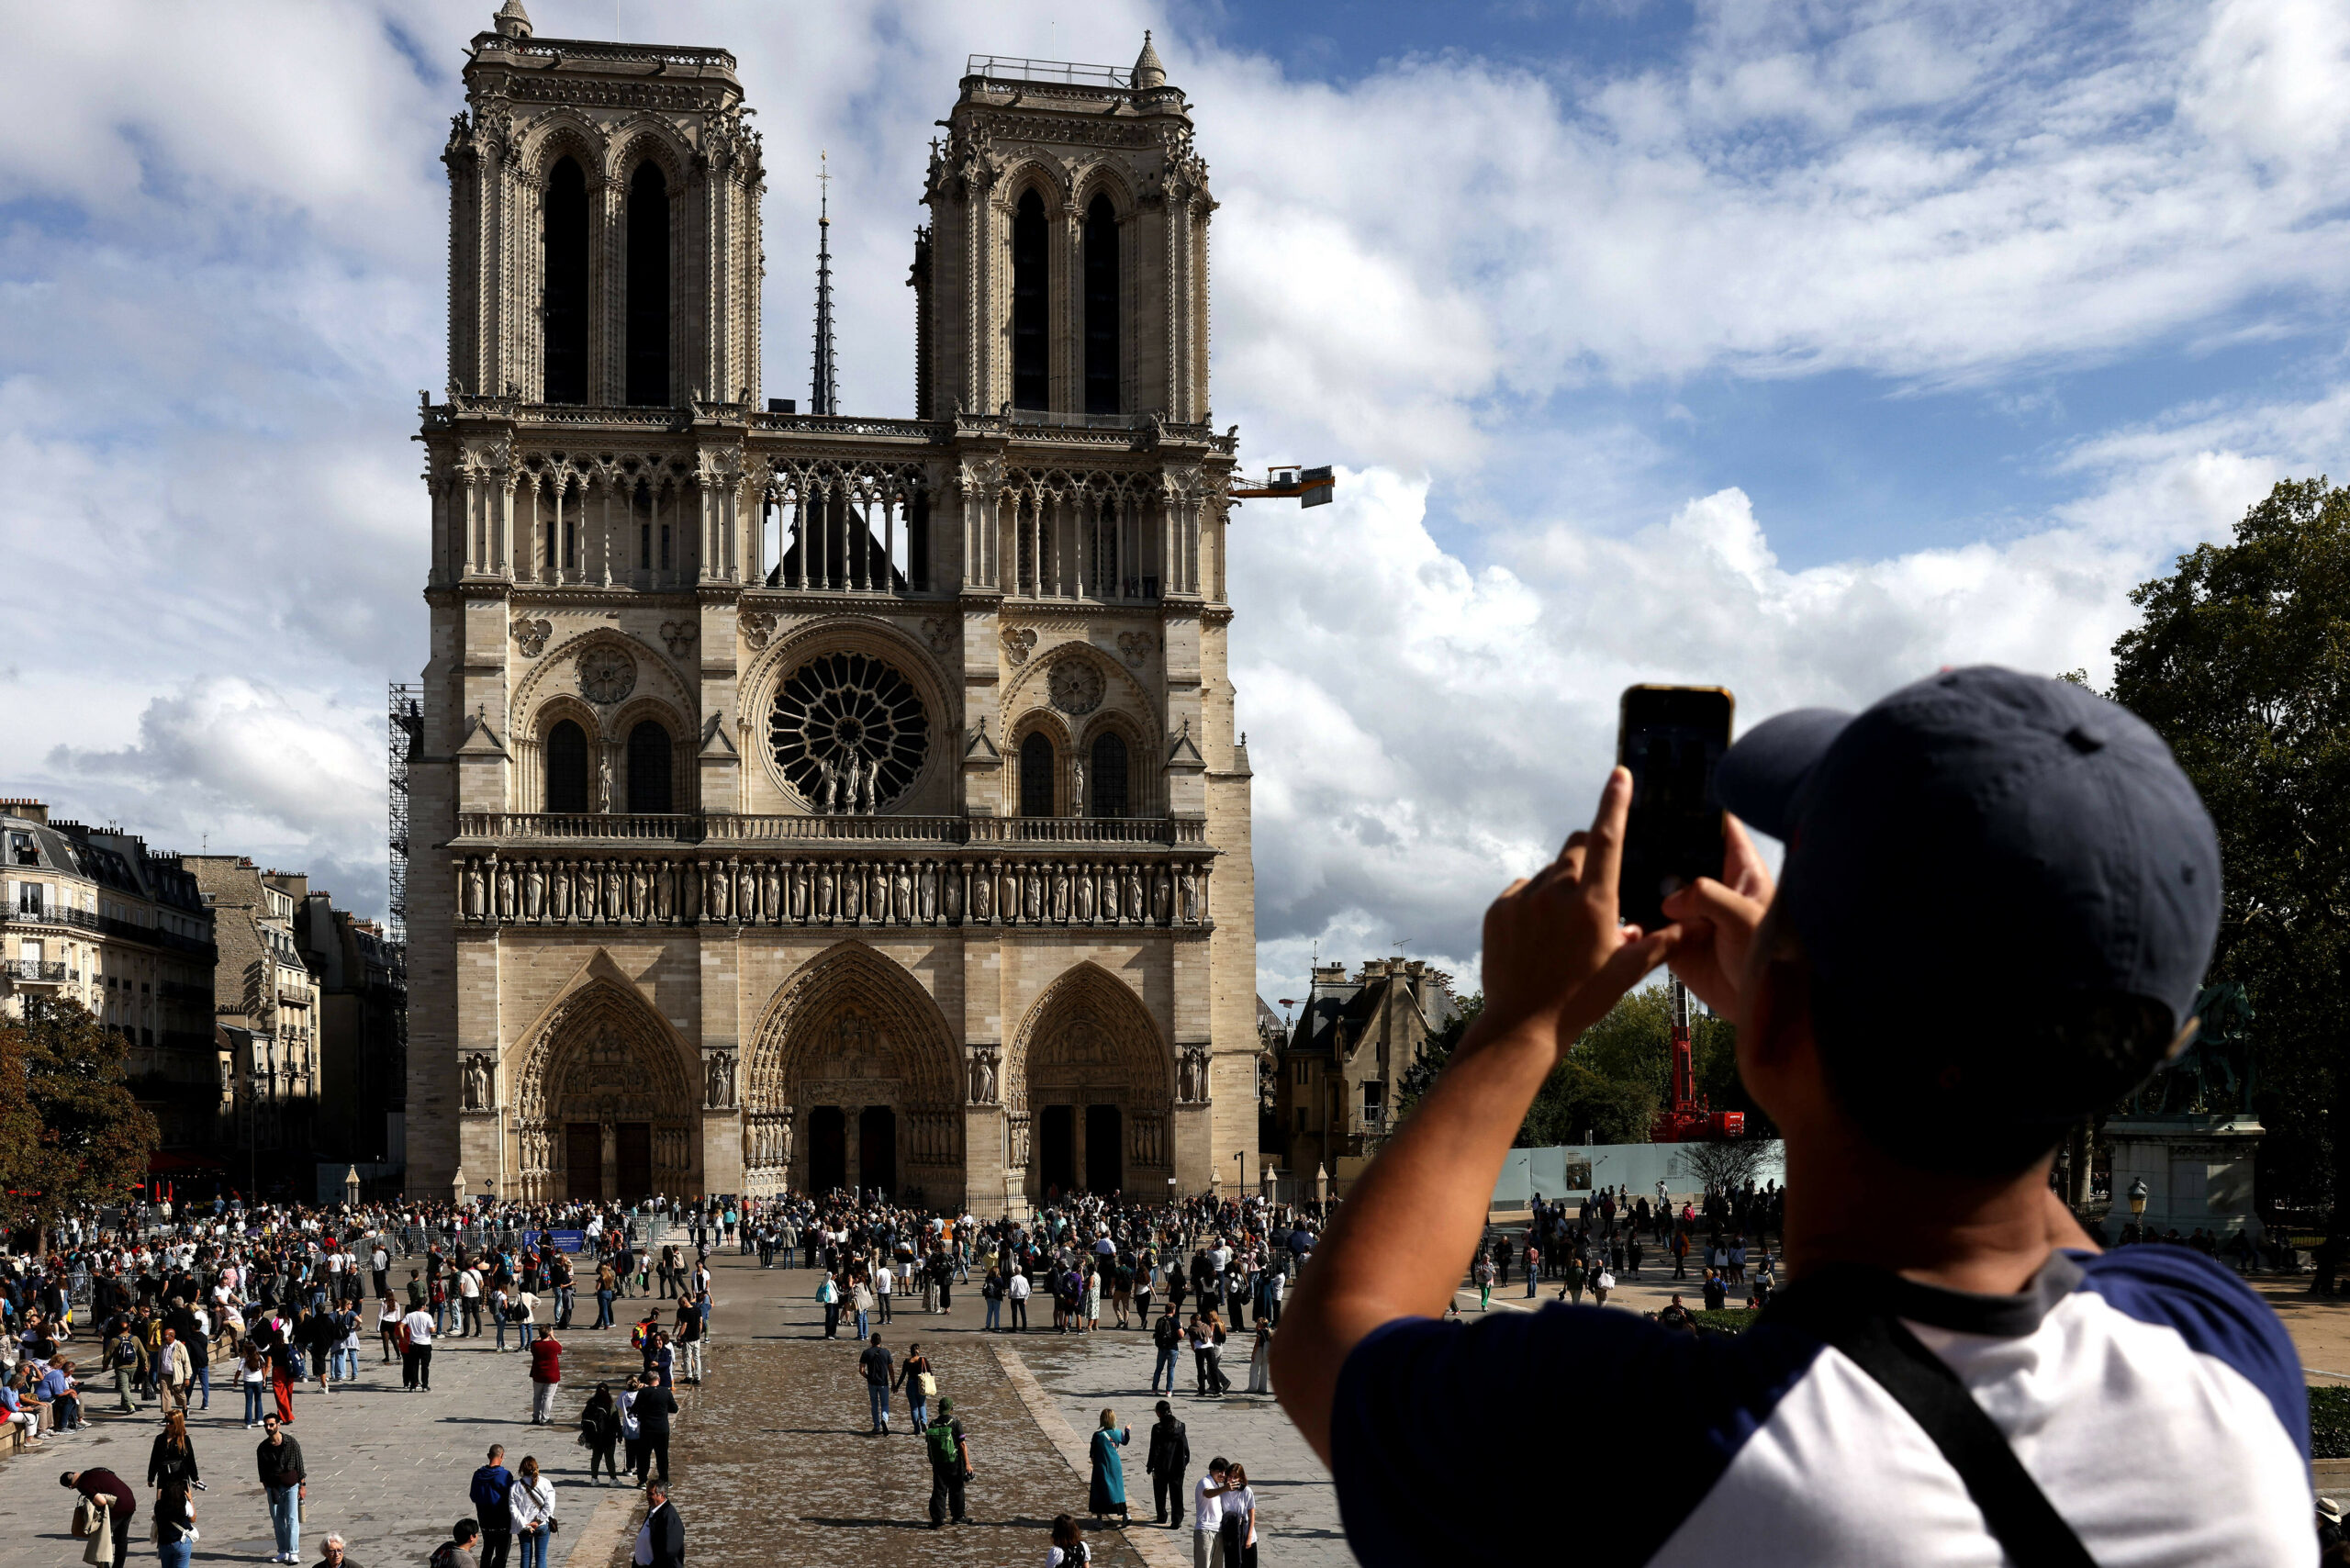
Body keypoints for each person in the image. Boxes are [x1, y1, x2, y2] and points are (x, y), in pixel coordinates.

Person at [1272, 669, 2314, 1564]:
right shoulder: (2230, 1355)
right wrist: (1798, 999)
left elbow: (1333, 1335)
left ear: (1774, 1020)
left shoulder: (1659, 1447)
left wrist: (1518, 1025)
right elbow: (2033, 1181)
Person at [255, 1413, 306, 1563]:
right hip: (273, 1487)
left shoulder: (291, 1442)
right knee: (277, 1520)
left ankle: (293, 1551)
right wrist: (267, 1486)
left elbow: (300, 1465)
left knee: (291, 1519)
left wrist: (302, 1486)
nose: (268, 1428)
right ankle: (283, 1551)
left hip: (291, 1485)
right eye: (266, 1425)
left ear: (279, 1424)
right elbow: (261, 1470)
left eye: (271, 1424)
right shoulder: (263, 1447)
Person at [62, 1467, 138, 1568]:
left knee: (102, 1539)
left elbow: (102, 1501)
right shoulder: (94, 1471)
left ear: (71, 1486)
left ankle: (103, 1566)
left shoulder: (83, 1485)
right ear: (75, 1473)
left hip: (117, 1507)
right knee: (121, 1539)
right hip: (130, 1501)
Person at [923, 1394, 972, 1529]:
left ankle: (938, 1518)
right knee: (957, 1488)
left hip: (938, 1462)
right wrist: (967, 1463)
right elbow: (962, 1444)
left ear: (939, 1409)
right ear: (952, 1409)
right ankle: (958, 1516)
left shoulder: (932, 1423)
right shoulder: (955, 1422)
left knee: (939, 1490)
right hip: (954, 1462)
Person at [1146, 1400, 1190, 1528]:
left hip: (1161, 1466)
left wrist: (1150, 1466)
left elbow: (1154, 1448)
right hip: (1177, 1467)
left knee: (1160, 1493)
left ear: (1159, 1413)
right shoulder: (1180, 1426)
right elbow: (1185, 1447)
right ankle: (1176, 1520)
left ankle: (1162, 1516)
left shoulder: (1157, 1428)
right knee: (1177, 1495)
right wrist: (1184, 1463)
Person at [508, 1455, 556, 1568]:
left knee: (525, 1556)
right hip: (542, 1525)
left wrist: (524, 1524)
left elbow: (513, 1509)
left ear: (521, 1470)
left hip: (524, 1527)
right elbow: (550, 1506)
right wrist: (538, 1521)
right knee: (541, 1557)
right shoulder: (546, 1482)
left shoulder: (515, 1487)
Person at [470, 1445, 514, 1568]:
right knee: (502, 1553)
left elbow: (473, 1496)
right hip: (502, 1521)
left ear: (488, 1456)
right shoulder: (504, 1475)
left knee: (487, 1549)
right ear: (502, 1456)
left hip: (485, 1520)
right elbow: (511, 1497)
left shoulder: (478, 1475)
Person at [1088, 1409, 1132, 1524]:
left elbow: (1092, 1453)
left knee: (1099, 1491)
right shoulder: (1117, 1433)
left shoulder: (1097, 1435)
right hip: (1115, 1465)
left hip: (1101, 1466)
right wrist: (1127, 1430)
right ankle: (1125, 1514)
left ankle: (1099, 1520)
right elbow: (1125, 1441)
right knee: (1117, 1490)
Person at [633, 1376, 677, 1484]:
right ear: (659, 1379)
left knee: (644, 1455)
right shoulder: (666, 1392)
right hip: (662, 1428)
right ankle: (664, 1480)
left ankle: (642, 1480)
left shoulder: (643, 1392)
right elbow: (674, 1409)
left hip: (647, 1428)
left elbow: (635, 1409)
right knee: (662, 1456)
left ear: (648, 1380)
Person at [146, 1408, 199, 1497]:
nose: (167, 1424)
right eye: (166, 1421)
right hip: (163, 1475)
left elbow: (190, 1459)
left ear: (177, 1423)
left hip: (180, 1476)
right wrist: (151, 1478)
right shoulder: (160, 1438)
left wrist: (195, 1478)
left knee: (181, 1504)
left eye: (171, 1422)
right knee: (160, 1504)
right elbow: (154, 1459)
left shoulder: (184, 1439)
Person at [1191, 1459, 1232, 1568]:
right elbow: (1208, 1493)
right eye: (1220, 1471)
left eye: (1225, 1472)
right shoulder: (1205, 1481)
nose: (1222, 1475)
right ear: (1211, 1470)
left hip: (1218, 1531)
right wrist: (1225, 1488)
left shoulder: (1217, 1485)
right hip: (1205, 1531)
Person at [580, 1383, 623, 1485]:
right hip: (608, 1436)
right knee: (609, 1458)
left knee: (596, 1457)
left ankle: (594, 1479)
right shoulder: (610, 1404)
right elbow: (616, 1421)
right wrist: (620, 1434)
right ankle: (613, 1480)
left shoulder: (591, 1403)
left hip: (595, 1436)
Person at [1217, 1462, 1259, 1568]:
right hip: (1231, 1536)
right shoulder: (1223, 1492)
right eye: (1230, 1476)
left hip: (1245, 1534)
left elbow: (1252, 1515)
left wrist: (1249, 1538)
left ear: (1241, 1478)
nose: (1232, 1479)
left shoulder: (1246, 1491)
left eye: (1235, 1477)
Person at [859, 1332, 894, 1435]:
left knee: (874, 1404)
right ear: (880, 1341)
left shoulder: (866, 1353)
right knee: (885, 1404)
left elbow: (861, 1370)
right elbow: (891, 1370)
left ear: (871, 1341)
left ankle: (876, 1426)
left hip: (872, 1383)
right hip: (883, 1382)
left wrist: (868, 1377)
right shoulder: (886, 1352)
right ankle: (885, 1419)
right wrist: (893, 1383)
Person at [898, 1342, 935, 1431]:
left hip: (910, 1385)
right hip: (921, 1384)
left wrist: (897, 1386)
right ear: (919, 1351)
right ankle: (923, 1421)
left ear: (910, 1352)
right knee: (922, 1405)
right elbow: (930, 1373)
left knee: (914, 1407)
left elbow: (902, 1375)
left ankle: (917, 1428)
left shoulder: (907, 1361)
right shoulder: (923, 1360)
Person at [527, 1328, 561, 1425]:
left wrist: (542, 1335)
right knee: (547, 1397)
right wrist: (552, 1336)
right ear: (549, 1333)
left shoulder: (535, 1345)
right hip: (551, 1375)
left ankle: (536, 1417)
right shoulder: (554, 1345)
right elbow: (560, 1347)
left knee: (537, 1397)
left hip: (538, 1374)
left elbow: (534, 1341)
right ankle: (545, 1418)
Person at [402, 1300, 435, 1392]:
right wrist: (434, 1328)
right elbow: (432, 1330)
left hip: (413, 1343)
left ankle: (413, 1385)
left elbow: (400, 1326)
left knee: (414, 1365)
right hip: (425, 1343)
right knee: (425, 1366)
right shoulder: (427, 1316)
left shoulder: (410, 1315)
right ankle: (425, 1385)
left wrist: (403, 1338)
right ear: (424, 1306)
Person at [1007, 1265, 1031, 1332]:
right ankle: (1024, 1327)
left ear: (1015, 1271)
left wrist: (1009, 1295)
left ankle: (1014, 1327)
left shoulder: (1013, 1278)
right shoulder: (1024, 1279)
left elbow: (1011, 1288)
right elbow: (1028, 1289)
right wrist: (1026, 1298)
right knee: (1023, 1312)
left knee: (1014, 1313)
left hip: (1014, 1297)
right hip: (1022, 1297)